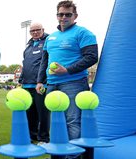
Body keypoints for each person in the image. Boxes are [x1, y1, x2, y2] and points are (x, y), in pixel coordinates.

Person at [36, 0, 98, 145]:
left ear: (75, 16)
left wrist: (67, 70)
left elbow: (91, 57)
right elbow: (44, 61)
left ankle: (73, 155)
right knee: (57, 121)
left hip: (74, 83)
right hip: (51, 84)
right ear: (56, 16)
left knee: (73, 121)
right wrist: (40, 80)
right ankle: (59, 152)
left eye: (67, 14)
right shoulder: (50, 37)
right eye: (60, 14)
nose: (63, 17)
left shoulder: (83, 33)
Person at [18, 22, 50, 144]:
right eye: (32, 31)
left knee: (43, 113)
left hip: (41, 85)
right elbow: (25, 64)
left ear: (43, 29)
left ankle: (44, 138)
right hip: (27, 84)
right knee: (30, 113)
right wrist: (21, 80)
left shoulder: (48, 41)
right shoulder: (28, 46)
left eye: (38, 30)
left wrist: (42, 81)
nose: (35, 32)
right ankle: (33, 136)